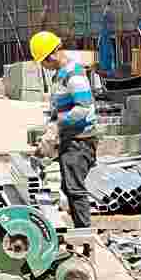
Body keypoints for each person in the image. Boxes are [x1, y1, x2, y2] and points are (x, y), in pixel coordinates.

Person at [29, 29, 97, 228]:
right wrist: (50, 129)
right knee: (69, 187)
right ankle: (81, 230)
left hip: (81, 141)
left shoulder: (73, 74)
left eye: (43, 62)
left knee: (74, 189)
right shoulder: (60, 75)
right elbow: (59, 108)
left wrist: (58, 127)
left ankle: (85, 235)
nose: (43, 66)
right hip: (71, 139)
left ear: (51, 56)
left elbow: (83, 108)